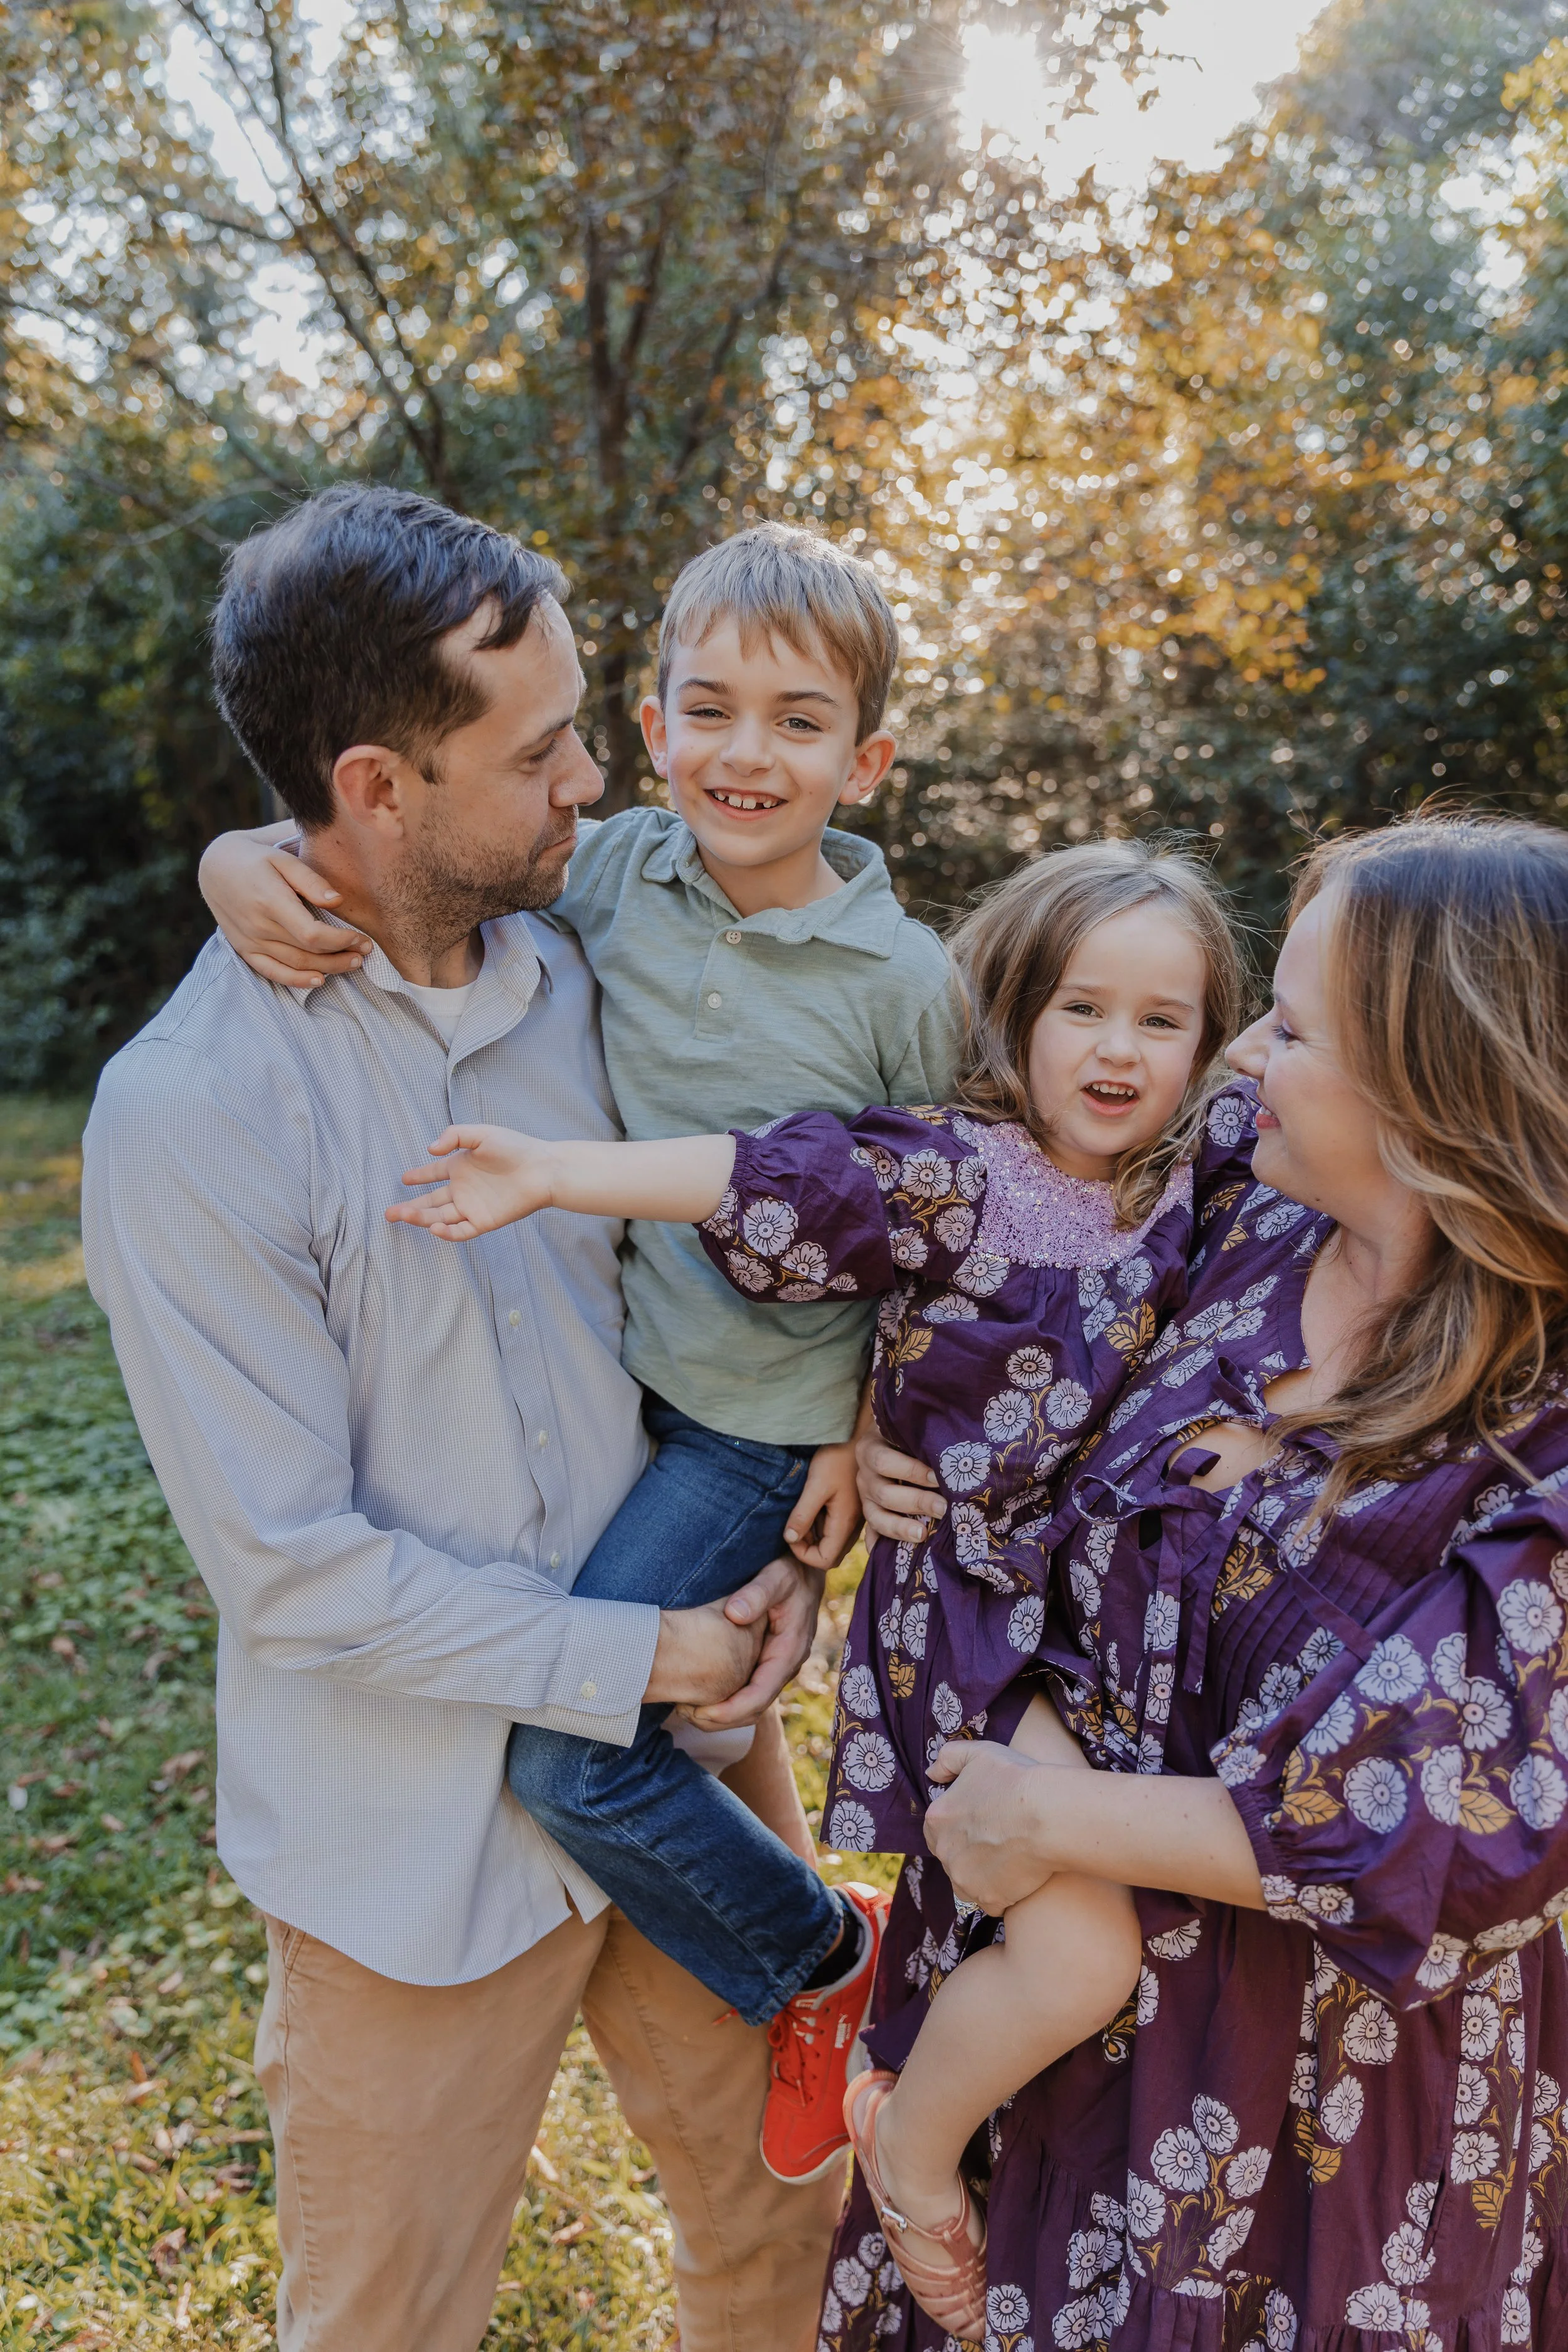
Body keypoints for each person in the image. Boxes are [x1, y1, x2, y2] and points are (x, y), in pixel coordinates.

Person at [80, 485, 844, 2352]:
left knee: (791, 2235)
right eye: (543, 745)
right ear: (374, 784)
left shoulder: (603, 961)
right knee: (383, 2320)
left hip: (686, 1768)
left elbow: (793, 1197)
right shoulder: (190, 1111)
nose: (597, 775)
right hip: (402, 1849)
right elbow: (292, 1572)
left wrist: (783, 1528)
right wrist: (637, 1648)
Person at [378, 838, 1251, 2341]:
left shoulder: (1203, 1186)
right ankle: (903, 2147)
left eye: (1158, 1022)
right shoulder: (953, 1168)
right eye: (1081, 1010)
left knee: (1098, 1970)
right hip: (978, 1630)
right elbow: (764, 1175)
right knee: (1081, 1953)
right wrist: (551, 1174)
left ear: (1206, 1041)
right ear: (1015, 1015)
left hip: (1115, 1645)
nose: (1116, 1050)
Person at [197, 520, 962, 2183]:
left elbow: (953, 1215)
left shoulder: (828, 972)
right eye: (696, 709)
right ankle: (833, 1950)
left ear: (866, 751)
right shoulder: (608, 883)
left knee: (584, 1788)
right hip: (589, 1533)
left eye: (796, 718)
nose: (726, 755)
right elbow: (409, 815)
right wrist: (238, 853)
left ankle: (834, 1965)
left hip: (740, 1468)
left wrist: (863, 1412)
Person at [847, 812, 1568, 2350]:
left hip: (1300, 2121)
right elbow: (986, 1257)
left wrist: (1043, 1815)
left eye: (1293, 1028)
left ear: (1436, 1085)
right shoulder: (1245, 1202)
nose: (1236, 1052)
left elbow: (1476, 1820)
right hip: (1048, 2024)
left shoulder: (1544, 1431)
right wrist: (860, 1415)